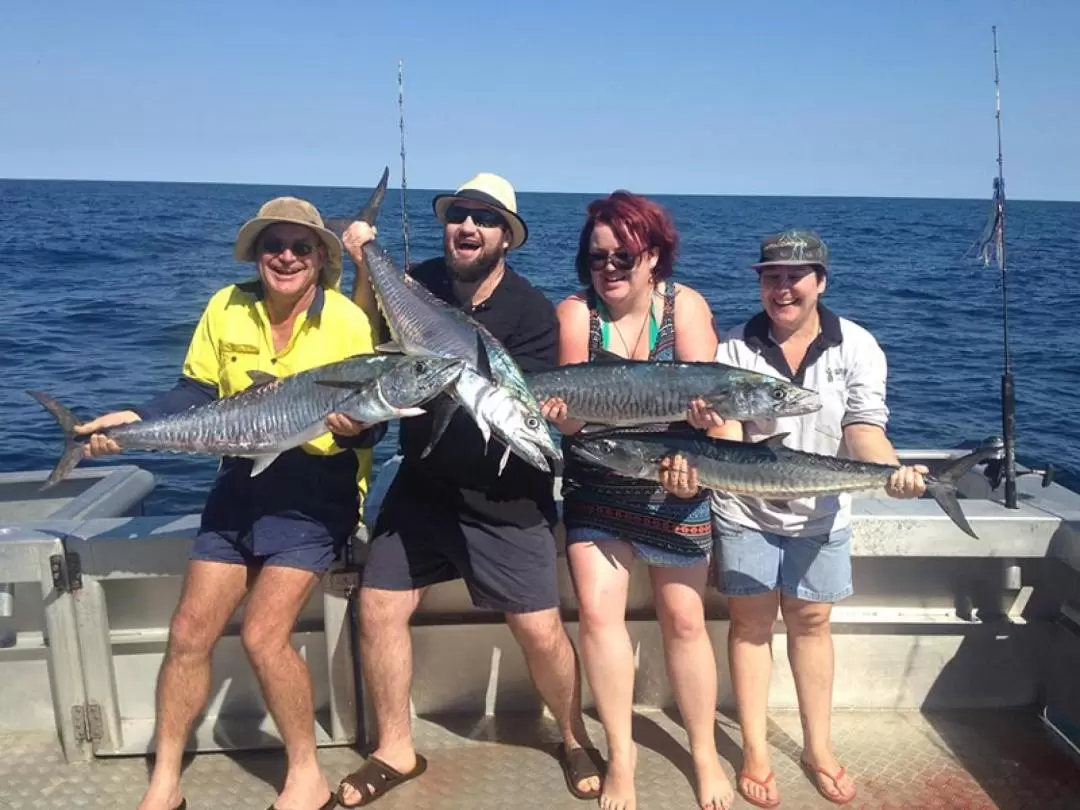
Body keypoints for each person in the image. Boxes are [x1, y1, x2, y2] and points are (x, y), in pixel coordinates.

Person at [75, 197, 381, 810]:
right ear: (258, 254)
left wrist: (357, 429)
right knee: (189, 630)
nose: (287, 256)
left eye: (301, 246)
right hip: (241, 479)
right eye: (275, 245)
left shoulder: (347, 319)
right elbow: (193, 389)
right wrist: (136, 420)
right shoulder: (226, 306)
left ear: (321, 257)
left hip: (316, 489)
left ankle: (306, 776)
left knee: (265, 634)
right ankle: (165, 780)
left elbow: (372, 419)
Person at [335, 173, 603, 807]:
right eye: (459, 214)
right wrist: (361, 264)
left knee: (539, 629)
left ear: (505, 238)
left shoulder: (531, 312)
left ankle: (571, 734)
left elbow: (525, 411)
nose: (468, 226)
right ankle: (395, 748)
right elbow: (372, 340)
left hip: (505, 498)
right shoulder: (414, 281)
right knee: (378, 607)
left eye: (484, 219)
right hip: (424, 487)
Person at [667, 228, 926, 808]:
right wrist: (711, 448)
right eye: (771, 277)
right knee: (751, 627)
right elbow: (726, 433)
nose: (782, 289)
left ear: (820, 282)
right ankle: (757, 748)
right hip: (745, 507)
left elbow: (863, 429)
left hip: (823, 511)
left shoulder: (857, 346)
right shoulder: (732, 348)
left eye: (794, 278)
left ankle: (818, 746)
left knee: (812, 625)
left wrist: (892, 472)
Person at [541, 191, 734, 810]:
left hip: (677, 480)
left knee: (685, 622)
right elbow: (571, 425)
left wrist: (706, 428)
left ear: (653, 256)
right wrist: (560, 418)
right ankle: (621, 757)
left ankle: (703, 753)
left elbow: (717, 419)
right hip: (597, 483)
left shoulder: (686, 308)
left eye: (624, 255)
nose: (610, 267)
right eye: (598, 256)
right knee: (599, 619)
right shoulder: (576, 316)